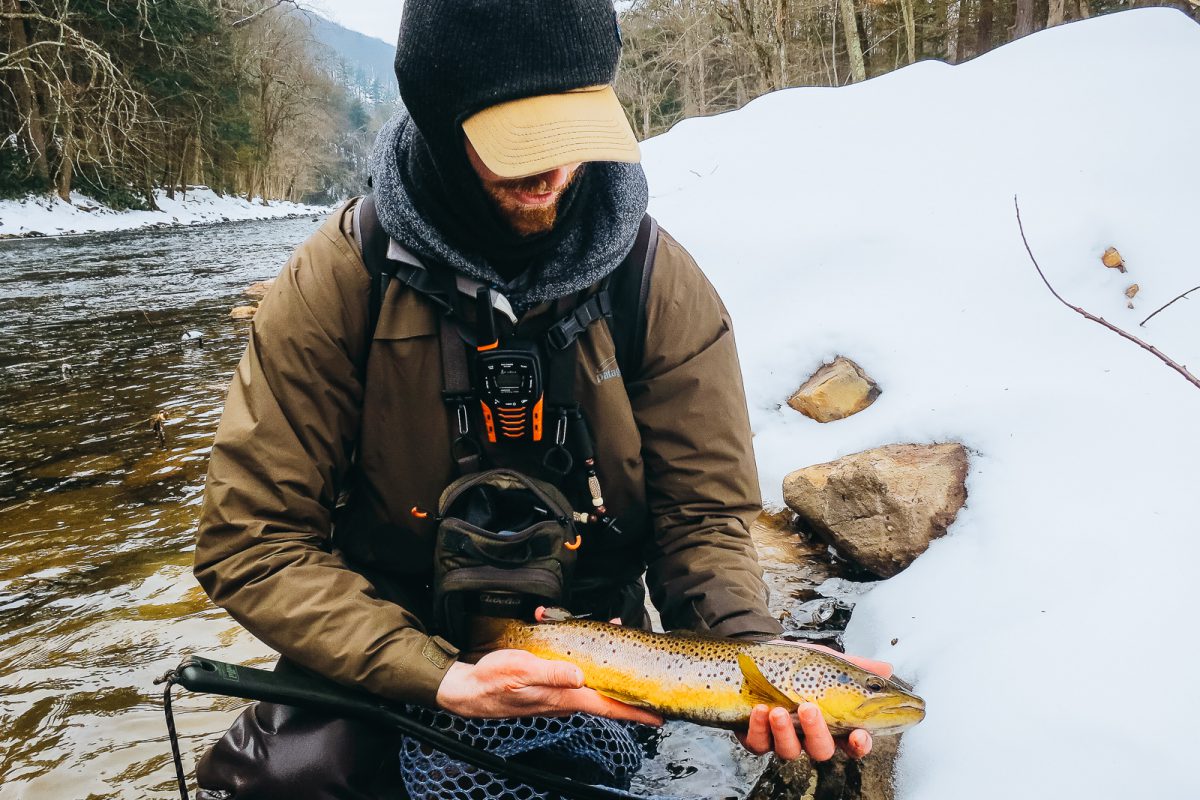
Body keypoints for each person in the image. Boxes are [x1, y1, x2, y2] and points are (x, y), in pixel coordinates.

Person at [193, 0, 888, 795]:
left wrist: (754, 657)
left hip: (596, 647)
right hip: (387, 629)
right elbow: (252, 541)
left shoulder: (658, 285)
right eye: (518, 141)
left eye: (570, 129)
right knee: (286, 782)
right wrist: (435, 674)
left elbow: (700, 521)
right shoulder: (343, 278)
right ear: (439, 119)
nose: (553, 170)